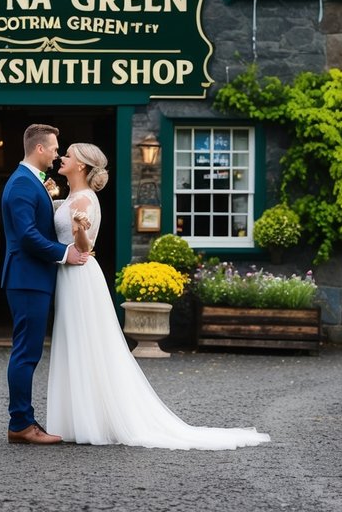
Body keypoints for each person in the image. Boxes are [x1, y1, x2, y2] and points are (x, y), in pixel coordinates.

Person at [45, 142, 271, 449]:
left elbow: (83, 247)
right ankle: (79, 417)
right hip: (70, 276)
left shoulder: (84, 199)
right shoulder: (71, 195)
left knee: (87, 342)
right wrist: (49, 199)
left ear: (81, 165)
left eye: (68, 155)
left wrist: (80, 229)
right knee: (75, 341)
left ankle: (92, 421)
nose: (62, 158)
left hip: (80, 275)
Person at [0, 123, 90, 444]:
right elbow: (27, 236)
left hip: (32, 278)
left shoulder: (30, 182)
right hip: (27, 278)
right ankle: (21, 425)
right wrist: (65, 253)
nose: (56, 154)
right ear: (39, 149)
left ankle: (23, 421)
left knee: (29, 351)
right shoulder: (23, 183)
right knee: (26, 352)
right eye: (53, 148)